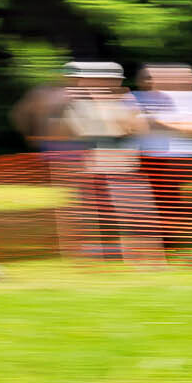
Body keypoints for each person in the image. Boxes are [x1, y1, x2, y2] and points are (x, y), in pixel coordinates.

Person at [58, 61, 159, 263]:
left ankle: (143, 256)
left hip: (124, 164)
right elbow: (73, 132)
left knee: (134, 214)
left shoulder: (126, 100)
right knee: (96, 213)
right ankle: (105, 255)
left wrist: (112, 114)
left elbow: (137, 129)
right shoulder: (76, 103)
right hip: (93, 164)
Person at [132, 64, 192, 241]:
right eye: (146, 77)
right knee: (155, 202)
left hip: (191, 160)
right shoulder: (133, 97)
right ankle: (166, 239)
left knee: (175, 199)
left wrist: (165, 126)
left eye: (186, 75)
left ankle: (176, 238)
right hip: (143, 159)